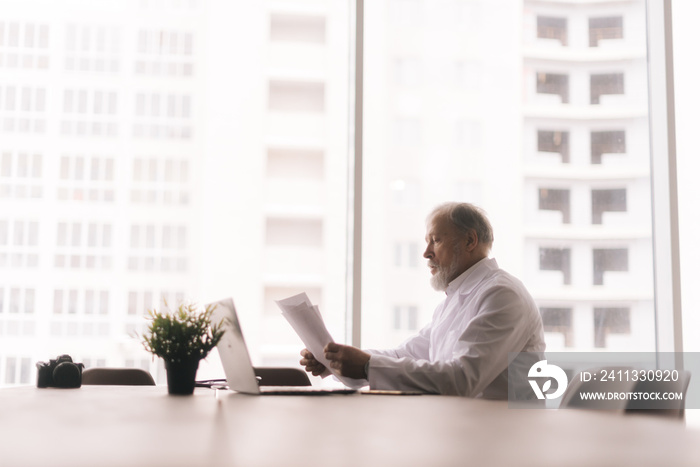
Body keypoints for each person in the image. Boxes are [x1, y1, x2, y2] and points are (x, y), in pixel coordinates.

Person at [300, 202, 546, 399]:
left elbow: (462, 379)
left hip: (505, 440)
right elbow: (405, 354)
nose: (426, 252)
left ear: (470, 241)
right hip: (469, 429)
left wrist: (366, 366)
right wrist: (336, 360)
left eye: (435, 240)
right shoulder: (454, 301)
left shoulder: (502, 295)